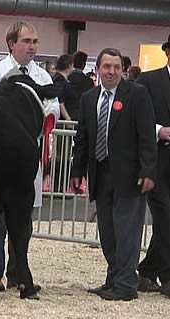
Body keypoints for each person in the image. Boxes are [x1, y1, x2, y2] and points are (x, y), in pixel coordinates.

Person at [0, 21, 60, 291]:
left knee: (22, 219)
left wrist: (48, 119)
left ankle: (17, 272)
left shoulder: (43, 77)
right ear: (12, 44)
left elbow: (52, 107)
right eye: (27, 41)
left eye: (35, 42)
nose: (32, 46)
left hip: (27, 158)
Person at [70, 48, 157, 301]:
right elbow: (82, 139)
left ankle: (127, 284)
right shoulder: (88, 98)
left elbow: (146, 136)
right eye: (107, 67)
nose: (112, 72)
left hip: (131, 175)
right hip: (100, 172)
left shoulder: (137, 94)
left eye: (117, 67)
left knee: (127, 231)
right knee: (107, 231)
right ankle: (114, 278)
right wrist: (77, 171)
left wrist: (148, 170)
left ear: (123, 70)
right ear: (97, 70)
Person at [136, 34, 170, 297]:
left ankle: (147, 270)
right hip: (157, 162)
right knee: (165, 217)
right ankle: (166, 276)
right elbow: (137, 119)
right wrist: (160, 131)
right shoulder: (148, 80)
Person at [67, 51, 95, 121]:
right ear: (84, 65)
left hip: (63, 116)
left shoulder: (65, 78)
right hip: (81, 117)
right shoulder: (89, 82)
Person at [52, 54, 75, 120]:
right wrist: (68, 118)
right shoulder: (60, 80)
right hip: (64, 119)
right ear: (69, 66)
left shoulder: (59, 79)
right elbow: (60, 101)